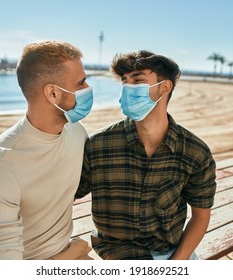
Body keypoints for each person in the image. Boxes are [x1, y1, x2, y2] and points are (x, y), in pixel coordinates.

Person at [75, 50, 217, 260]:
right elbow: (67, 194)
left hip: (171, 254)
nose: (128, 88)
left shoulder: (195, 152)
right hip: (115, 255)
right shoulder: (98, 145)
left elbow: (201, 216)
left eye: (138, 80)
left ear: (164, 87)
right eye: (125, 81)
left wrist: (176, 265)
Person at [0, 40, 94, 260]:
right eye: (81, 83)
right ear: (52, 94)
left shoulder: (77, 132)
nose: (87, 90)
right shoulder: (0, 164)